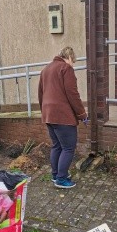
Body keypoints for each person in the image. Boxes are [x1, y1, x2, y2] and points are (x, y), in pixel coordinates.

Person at [38, 46, 88, 189]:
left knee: (57, 146)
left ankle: (56, 175)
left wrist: (44, 111)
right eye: (74, 61)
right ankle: (61, 179)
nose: (73, 64)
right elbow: (72, 93)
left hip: (48, 114)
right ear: (70, 57)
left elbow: (41, 94)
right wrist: (82, 114)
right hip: (62, 116)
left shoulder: (45, 69)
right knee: (68, 148)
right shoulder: (66, 69)